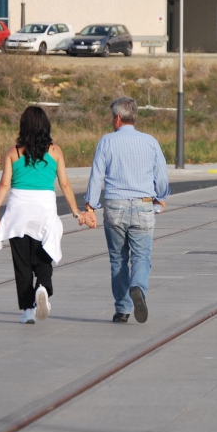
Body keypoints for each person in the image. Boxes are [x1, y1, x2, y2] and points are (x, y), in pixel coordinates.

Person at [0, 107, 92, 324]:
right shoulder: (55, 152)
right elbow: (64, 183)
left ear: (23, 126)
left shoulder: (13, 152)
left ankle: (27, 310)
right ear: (46, 126)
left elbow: (5, 184)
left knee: (22, 262)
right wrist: (76, 213)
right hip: (44, 210)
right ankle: (43, 286)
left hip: (18, 212)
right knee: (45, 253)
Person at [82, 97, 170, 324]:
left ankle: (122, 309)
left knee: (118, 259)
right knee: (142, 256)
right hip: (143, 205)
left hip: (114, 206)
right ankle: (138, 287)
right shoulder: (150, 141)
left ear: (118, 118)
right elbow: (161, 176)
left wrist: (90, 205)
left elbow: (97, 175)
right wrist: (160, 197)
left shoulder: (106, 141)